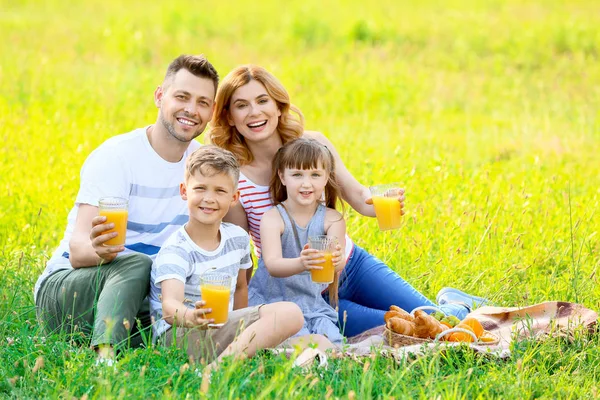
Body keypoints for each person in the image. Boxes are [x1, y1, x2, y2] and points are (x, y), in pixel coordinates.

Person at [209, 65, 489, 337]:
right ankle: (453, 307)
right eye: (242, 105)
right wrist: (238, 316)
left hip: (352, 266)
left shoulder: (313, 145)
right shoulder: (235, 176)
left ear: (278, 106)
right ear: (229, 116)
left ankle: (456, 302)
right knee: (412, 329)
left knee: (436, 317)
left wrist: (380, 204)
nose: (255, 112)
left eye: (262, 101)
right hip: (307, 295)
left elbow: (358, 197)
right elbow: (239, 252)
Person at [34, 54, 221, 362]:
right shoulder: (117, 157)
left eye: (203, 102)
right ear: (160, 96)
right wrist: (103, 253)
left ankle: (139, 338)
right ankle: (105, 357)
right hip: (70, 290)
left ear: (212, 111)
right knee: (137, 264)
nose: (191, 110)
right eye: (182, 97)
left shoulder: (203, 166)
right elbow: (79, 250)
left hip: (145, 296)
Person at [149, 145, 303, 366]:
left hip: (220, 329)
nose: (209, 198)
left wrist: (242, 327)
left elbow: (241, 287)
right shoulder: (177, 248)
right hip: (180, 335)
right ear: (184, 191)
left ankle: (240, 355)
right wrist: (193, 317)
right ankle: (219, 369)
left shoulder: (237, 239)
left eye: (220, 191)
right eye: (200, 188)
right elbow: (170, 307)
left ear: (234, 197)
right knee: (290, 314)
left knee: (312, 342)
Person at [249, 138, 345, 348]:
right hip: (273, 303)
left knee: (335, 343)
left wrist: (337, 260)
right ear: (282, 177)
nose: (306, 183)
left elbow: (335, 265)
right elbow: (273, 265)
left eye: (315, 175)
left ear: (326, 177)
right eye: (297, 175)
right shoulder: (274, 218)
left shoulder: (332, 219)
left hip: (313, 305)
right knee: (301, 344)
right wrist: (302, 263)